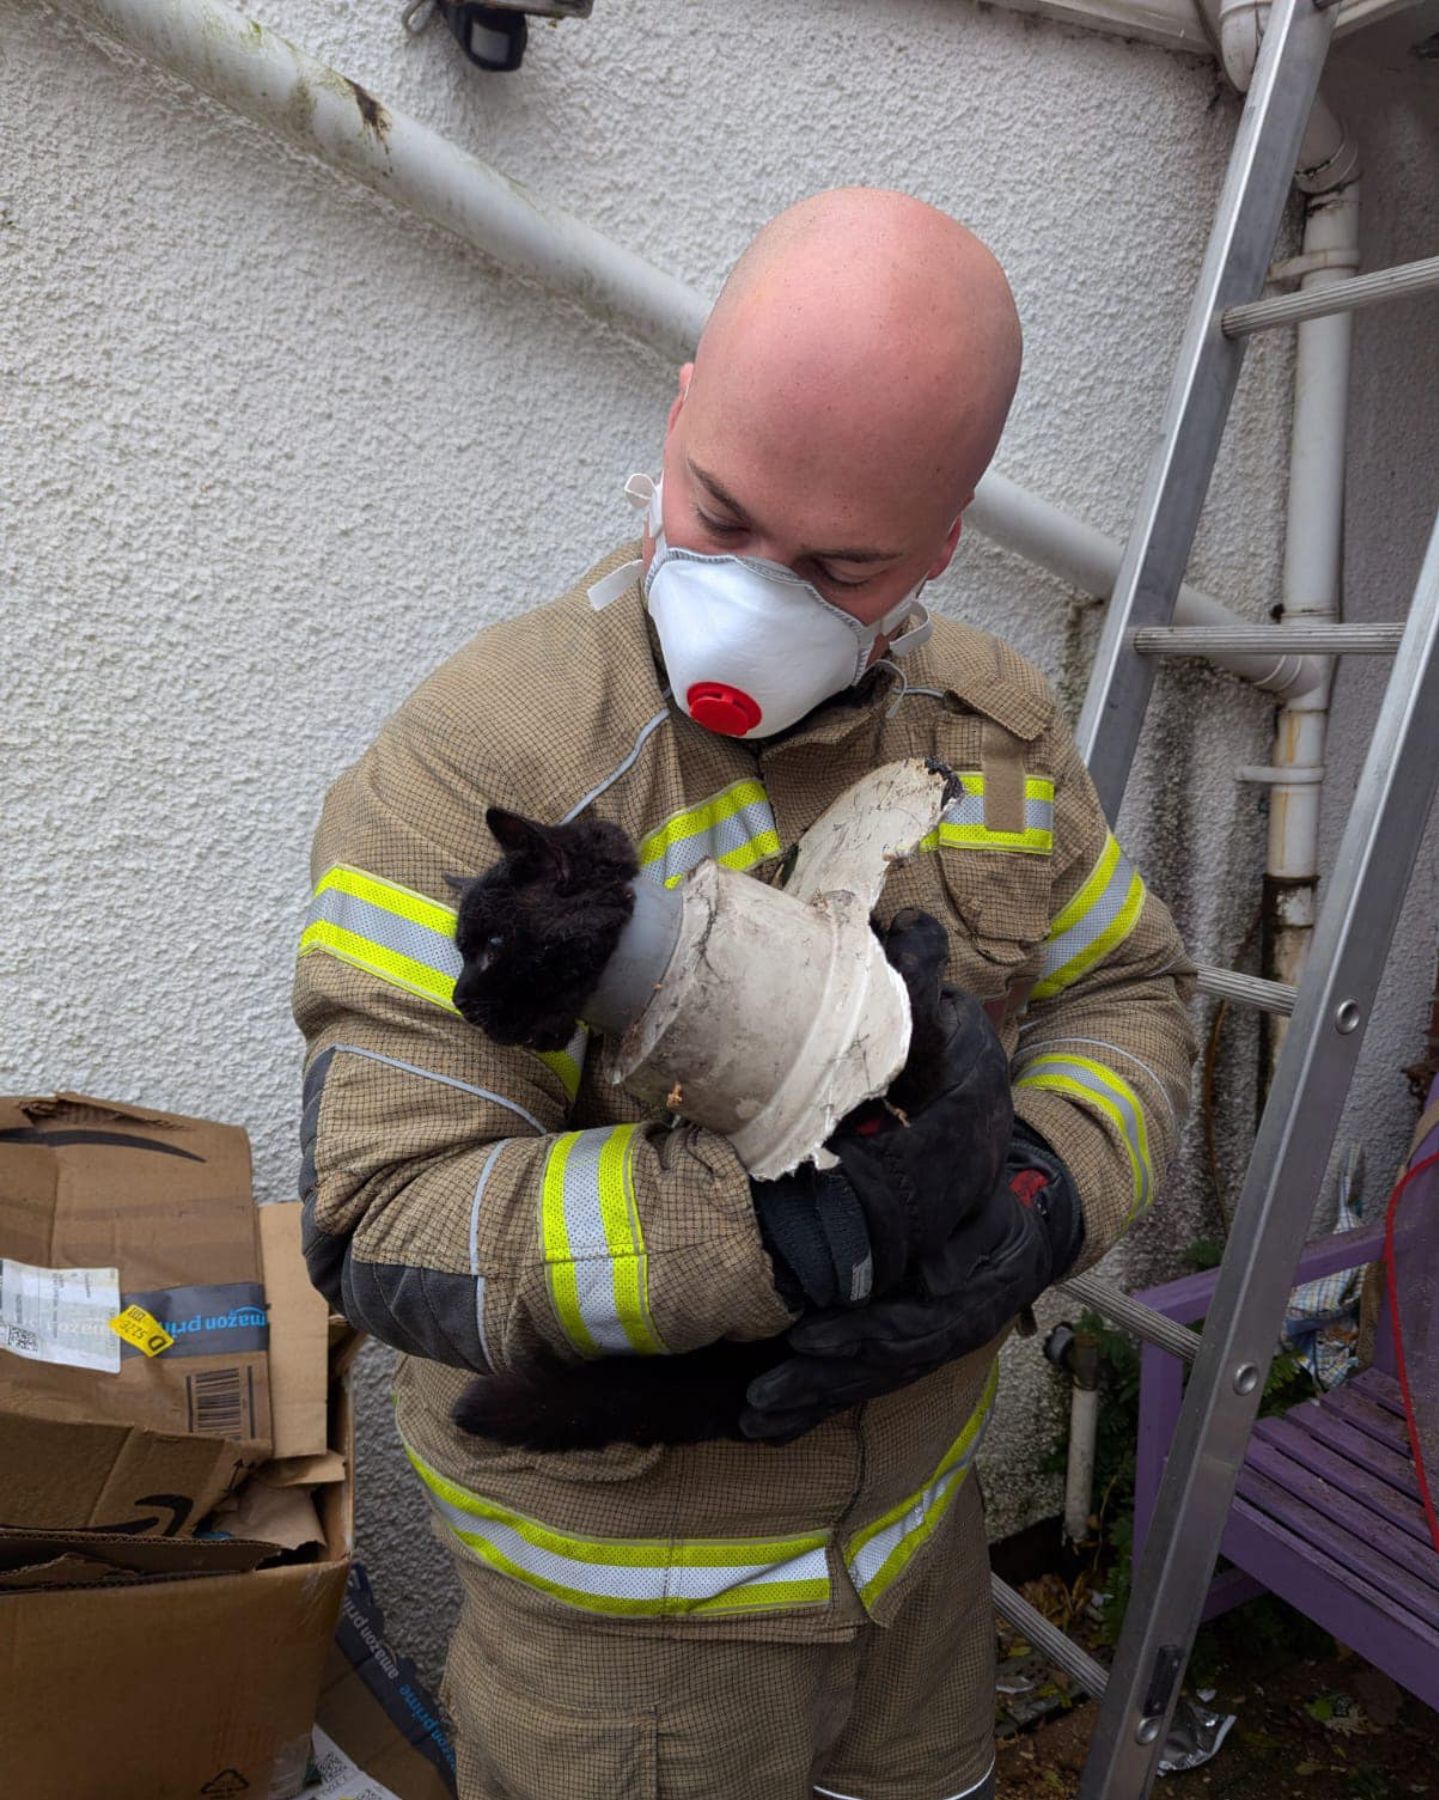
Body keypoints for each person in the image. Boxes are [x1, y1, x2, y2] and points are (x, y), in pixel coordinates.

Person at [293, 187, 1197, 1800]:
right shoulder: (491, 760)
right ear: (676, 418)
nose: (754, 596)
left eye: (841, 565)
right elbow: (385, 1220)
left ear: (943, 542)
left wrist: (1039, 1196)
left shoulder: (992, 730)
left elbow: (1129, 991)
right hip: (626, 1663)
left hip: (919, 1577)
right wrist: (778, 1234)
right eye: (717, 516)